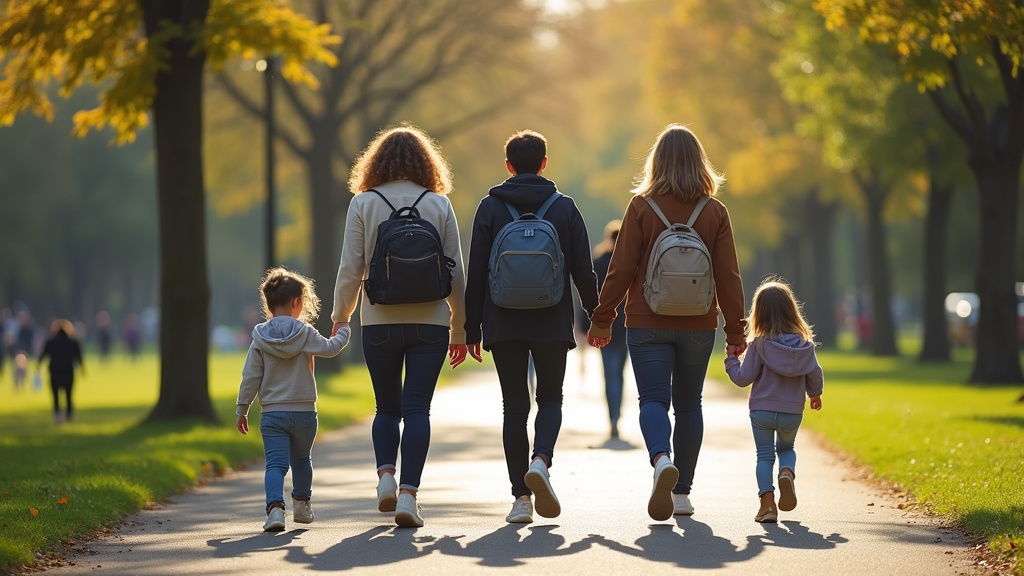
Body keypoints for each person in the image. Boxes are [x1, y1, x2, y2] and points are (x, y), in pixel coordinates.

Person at [587, 124, 746, 521]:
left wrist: (603, 319)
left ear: (656, 161)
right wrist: (735, 332)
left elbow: (620, 269)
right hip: (698, 323)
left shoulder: (641, 207)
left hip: (646, 321)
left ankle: (661, 459)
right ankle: (683, 494)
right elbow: (728, 276)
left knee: (653, 400)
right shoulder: (714, 211)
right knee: (690, 404)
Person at [331, 124, 469, 528]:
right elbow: (456, 272)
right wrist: (460, 327)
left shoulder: (363, 203)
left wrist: (341, 316)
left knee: (386, 408)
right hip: (430, 322)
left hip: (378, 320)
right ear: (427, 163)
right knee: (418, 409)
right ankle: (409, 495)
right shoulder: (439, 204)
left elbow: (350, 267)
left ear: (376, 162)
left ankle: (386, 475)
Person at [464, 129, 599, 524]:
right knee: (551, 399)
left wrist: (472, 329)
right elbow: (582, 269)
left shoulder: (489, 207)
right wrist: (597, 316)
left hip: (502, 319)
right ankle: (541, 460)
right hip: (552, 318)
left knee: (513, 407)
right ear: (544, 163)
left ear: (508, 166)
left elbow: (476, 272)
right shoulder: (565, 207)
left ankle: (521, 499)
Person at [236, 267, 351, 533]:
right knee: (302, 460)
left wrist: (243, 409)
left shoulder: (260, 337)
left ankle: (275, 510)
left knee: (275, 465)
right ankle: (301, 506)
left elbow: (250, 376)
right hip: (304, 412)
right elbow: (331, 348)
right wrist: (343, 330)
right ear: (297, 302)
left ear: (269, 302)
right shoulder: (305, 332)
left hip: (272, 414)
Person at [724, 278, 823, 523]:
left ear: (758, 313)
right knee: (787, 449)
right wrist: (814, 394)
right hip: (791, 411)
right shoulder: (804, 345)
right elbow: (815, 373)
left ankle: (767, 504)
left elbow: (743, 378)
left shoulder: (759, 345)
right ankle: (787, 473)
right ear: (792, 310)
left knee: (765, 456)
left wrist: (731, 360)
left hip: (762, 411)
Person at [593, 219, 628, 440]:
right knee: (620, 374)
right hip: (626, 324)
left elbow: (589, 294)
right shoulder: (631, 262)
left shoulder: (599, 262)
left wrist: (587, 324)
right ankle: (617, 416)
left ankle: (612, 417)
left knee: (609, 374)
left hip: (604, 324)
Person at [38, 319, 84, 423]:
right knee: (69, 395)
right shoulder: (73, 343)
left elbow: (43, 355)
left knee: (55, 395)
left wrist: (39, 365)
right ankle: (69, 415)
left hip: (55, 372)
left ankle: (57, 415)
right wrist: (82, 369)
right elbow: (79, 357)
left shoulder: (50, 342)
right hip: (68, 372)